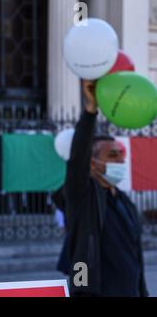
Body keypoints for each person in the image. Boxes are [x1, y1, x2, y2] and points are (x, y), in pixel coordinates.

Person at [63, 80, 148, 297]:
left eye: (120, 154)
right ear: (92, 164)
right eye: (111, 155)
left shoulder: (124, 201)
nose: (120, 160)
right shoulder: (83, 198)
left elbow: (136, 258)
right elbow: (77, 160)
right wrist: (90, 111)